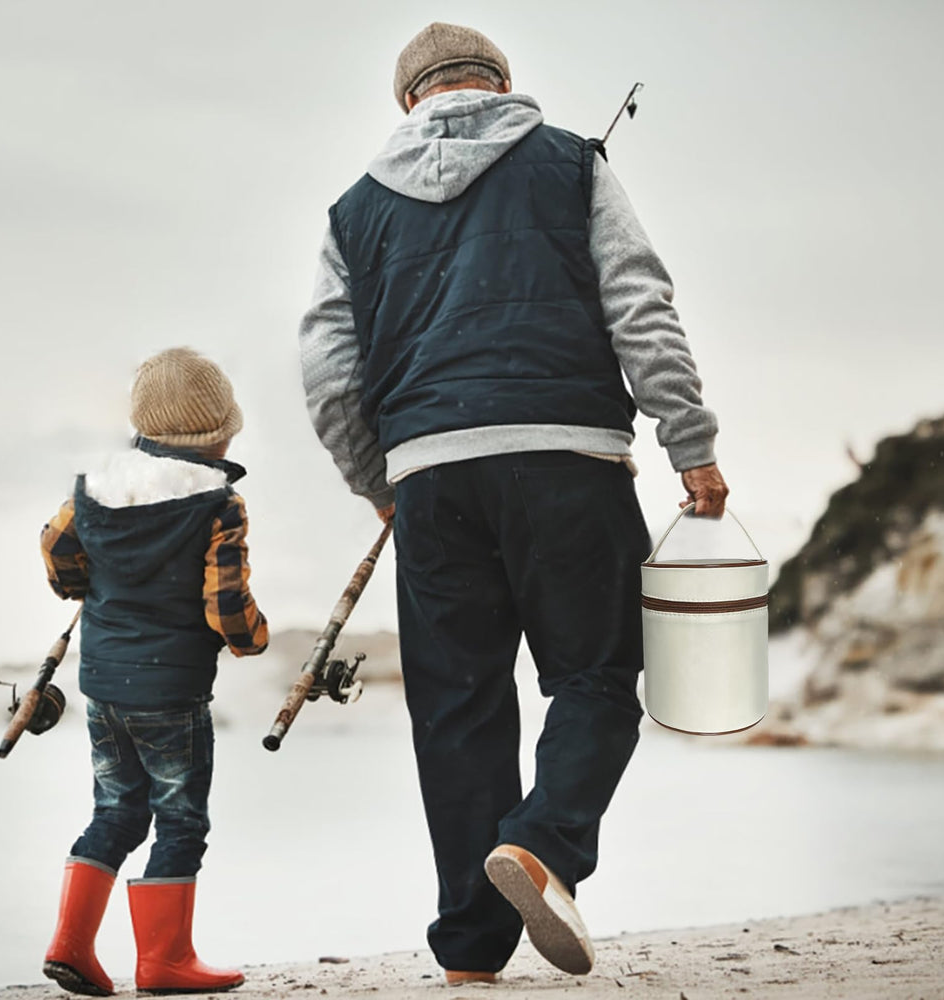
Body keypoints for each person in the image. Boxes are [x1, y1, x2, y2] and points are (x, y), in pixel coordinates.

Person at [299, 22, 729, 983]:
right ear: (499, 82)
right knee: (596, 675)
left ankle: (470, 955)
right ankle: (542, 846)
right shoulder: (571, 165)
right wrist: (689, 445)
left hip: (432, 477)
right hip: (568, 460)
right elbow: (639, 302)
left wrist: (383, 483)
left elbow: (328, 375)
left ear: (409, 100)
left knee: (456, 710)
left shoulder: (351, 212)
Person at [39, 347, 269, 996]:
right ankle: (164, 960)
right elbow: (227, 610)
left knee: (114, 811)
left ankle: (71, 945)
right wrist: (254, 639)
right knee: (180, 820)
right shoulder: (217, 504)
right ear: (216, 435)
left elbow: (56, 547)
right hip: (173, 693)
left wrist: (88, 588)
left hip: (104, 688)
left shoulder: (92, 490)